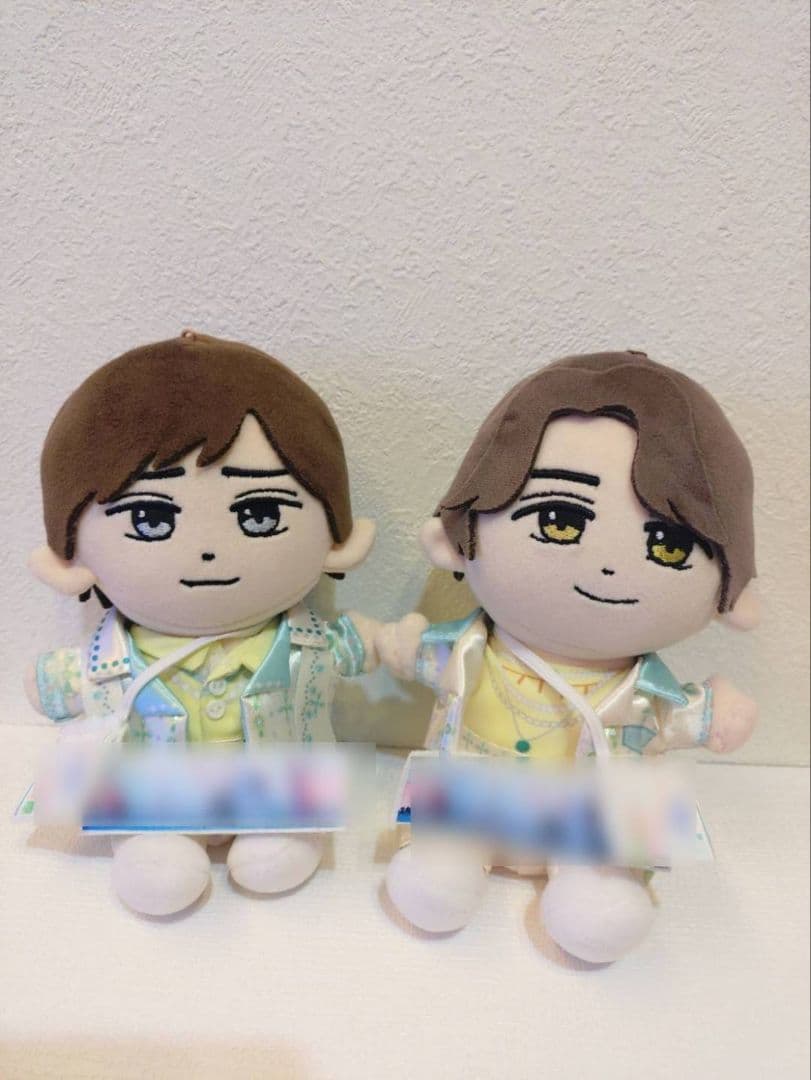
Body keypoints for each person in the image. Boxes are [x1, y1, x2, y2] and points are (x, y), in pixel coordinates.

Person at [376, 350, 759, 962]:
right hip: (471, 802)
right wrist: (395, 643)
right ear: (456, 539)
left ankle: (592, 885)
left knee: (599, 911)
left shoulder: (643, 694)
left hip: (591, 822)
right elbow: (418, 655)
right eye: (558, 520)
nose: (608, 566)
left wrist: (713, 713)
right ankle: (447, 860)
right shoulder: (468, 652)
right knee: (434, 882)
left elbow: (673, 717)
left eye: (666, 544)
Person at [26, 330, 387, 916]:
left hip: (280, 796)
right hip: (154, 802)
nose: (207, 551)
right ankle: (155, 847)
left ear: (336, 540)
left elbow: (364, 646)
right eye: (149, 519)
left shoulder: (310, 646)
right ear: (70, 560)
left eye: (260, 512)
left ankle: (283, 837)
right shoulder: (102, 663)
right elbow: (49, 688)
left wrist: (393, 642)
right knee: (159, 869)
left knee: (275, 855)